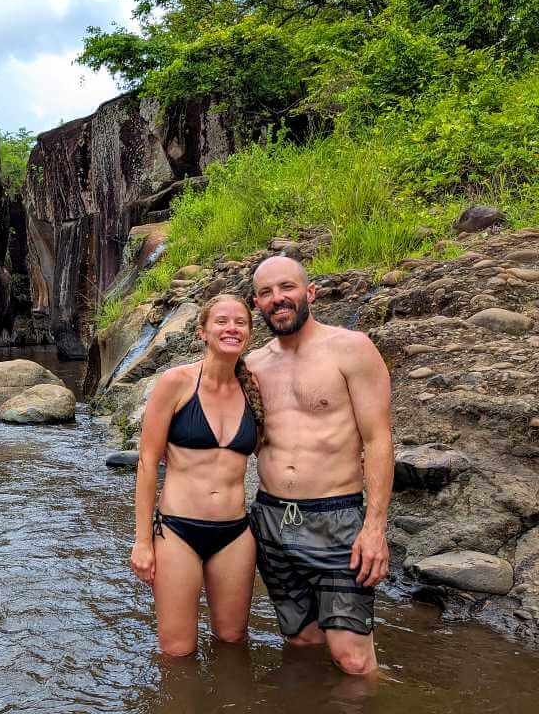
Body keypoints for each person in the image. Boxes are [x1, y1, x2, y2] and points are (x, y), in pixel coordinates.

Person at [245, 255, 393, 676]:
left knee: (353, 658)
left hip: (337, 518)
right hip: (272, 518)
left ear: (310, 292)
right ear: (256, 303)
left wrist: (375, 528)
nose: (278, 299)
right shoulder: (253, 366)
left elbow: (378, 440)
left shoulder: (352, 348)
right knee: (301, 641)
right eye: (266, 292)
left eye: (287, 288)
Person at [130, 294, 265, 656]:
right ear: (203, 331)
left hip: (235, 534)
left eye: (240, 322)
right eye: (221, 321)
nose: (231, 328)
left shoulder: (254, 390)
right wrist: (143, 541)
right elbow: (147, 463)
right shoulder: (176, 383)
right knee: (176, 651)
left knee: (233, 640)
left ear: (249, 333)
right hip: (178, 532)